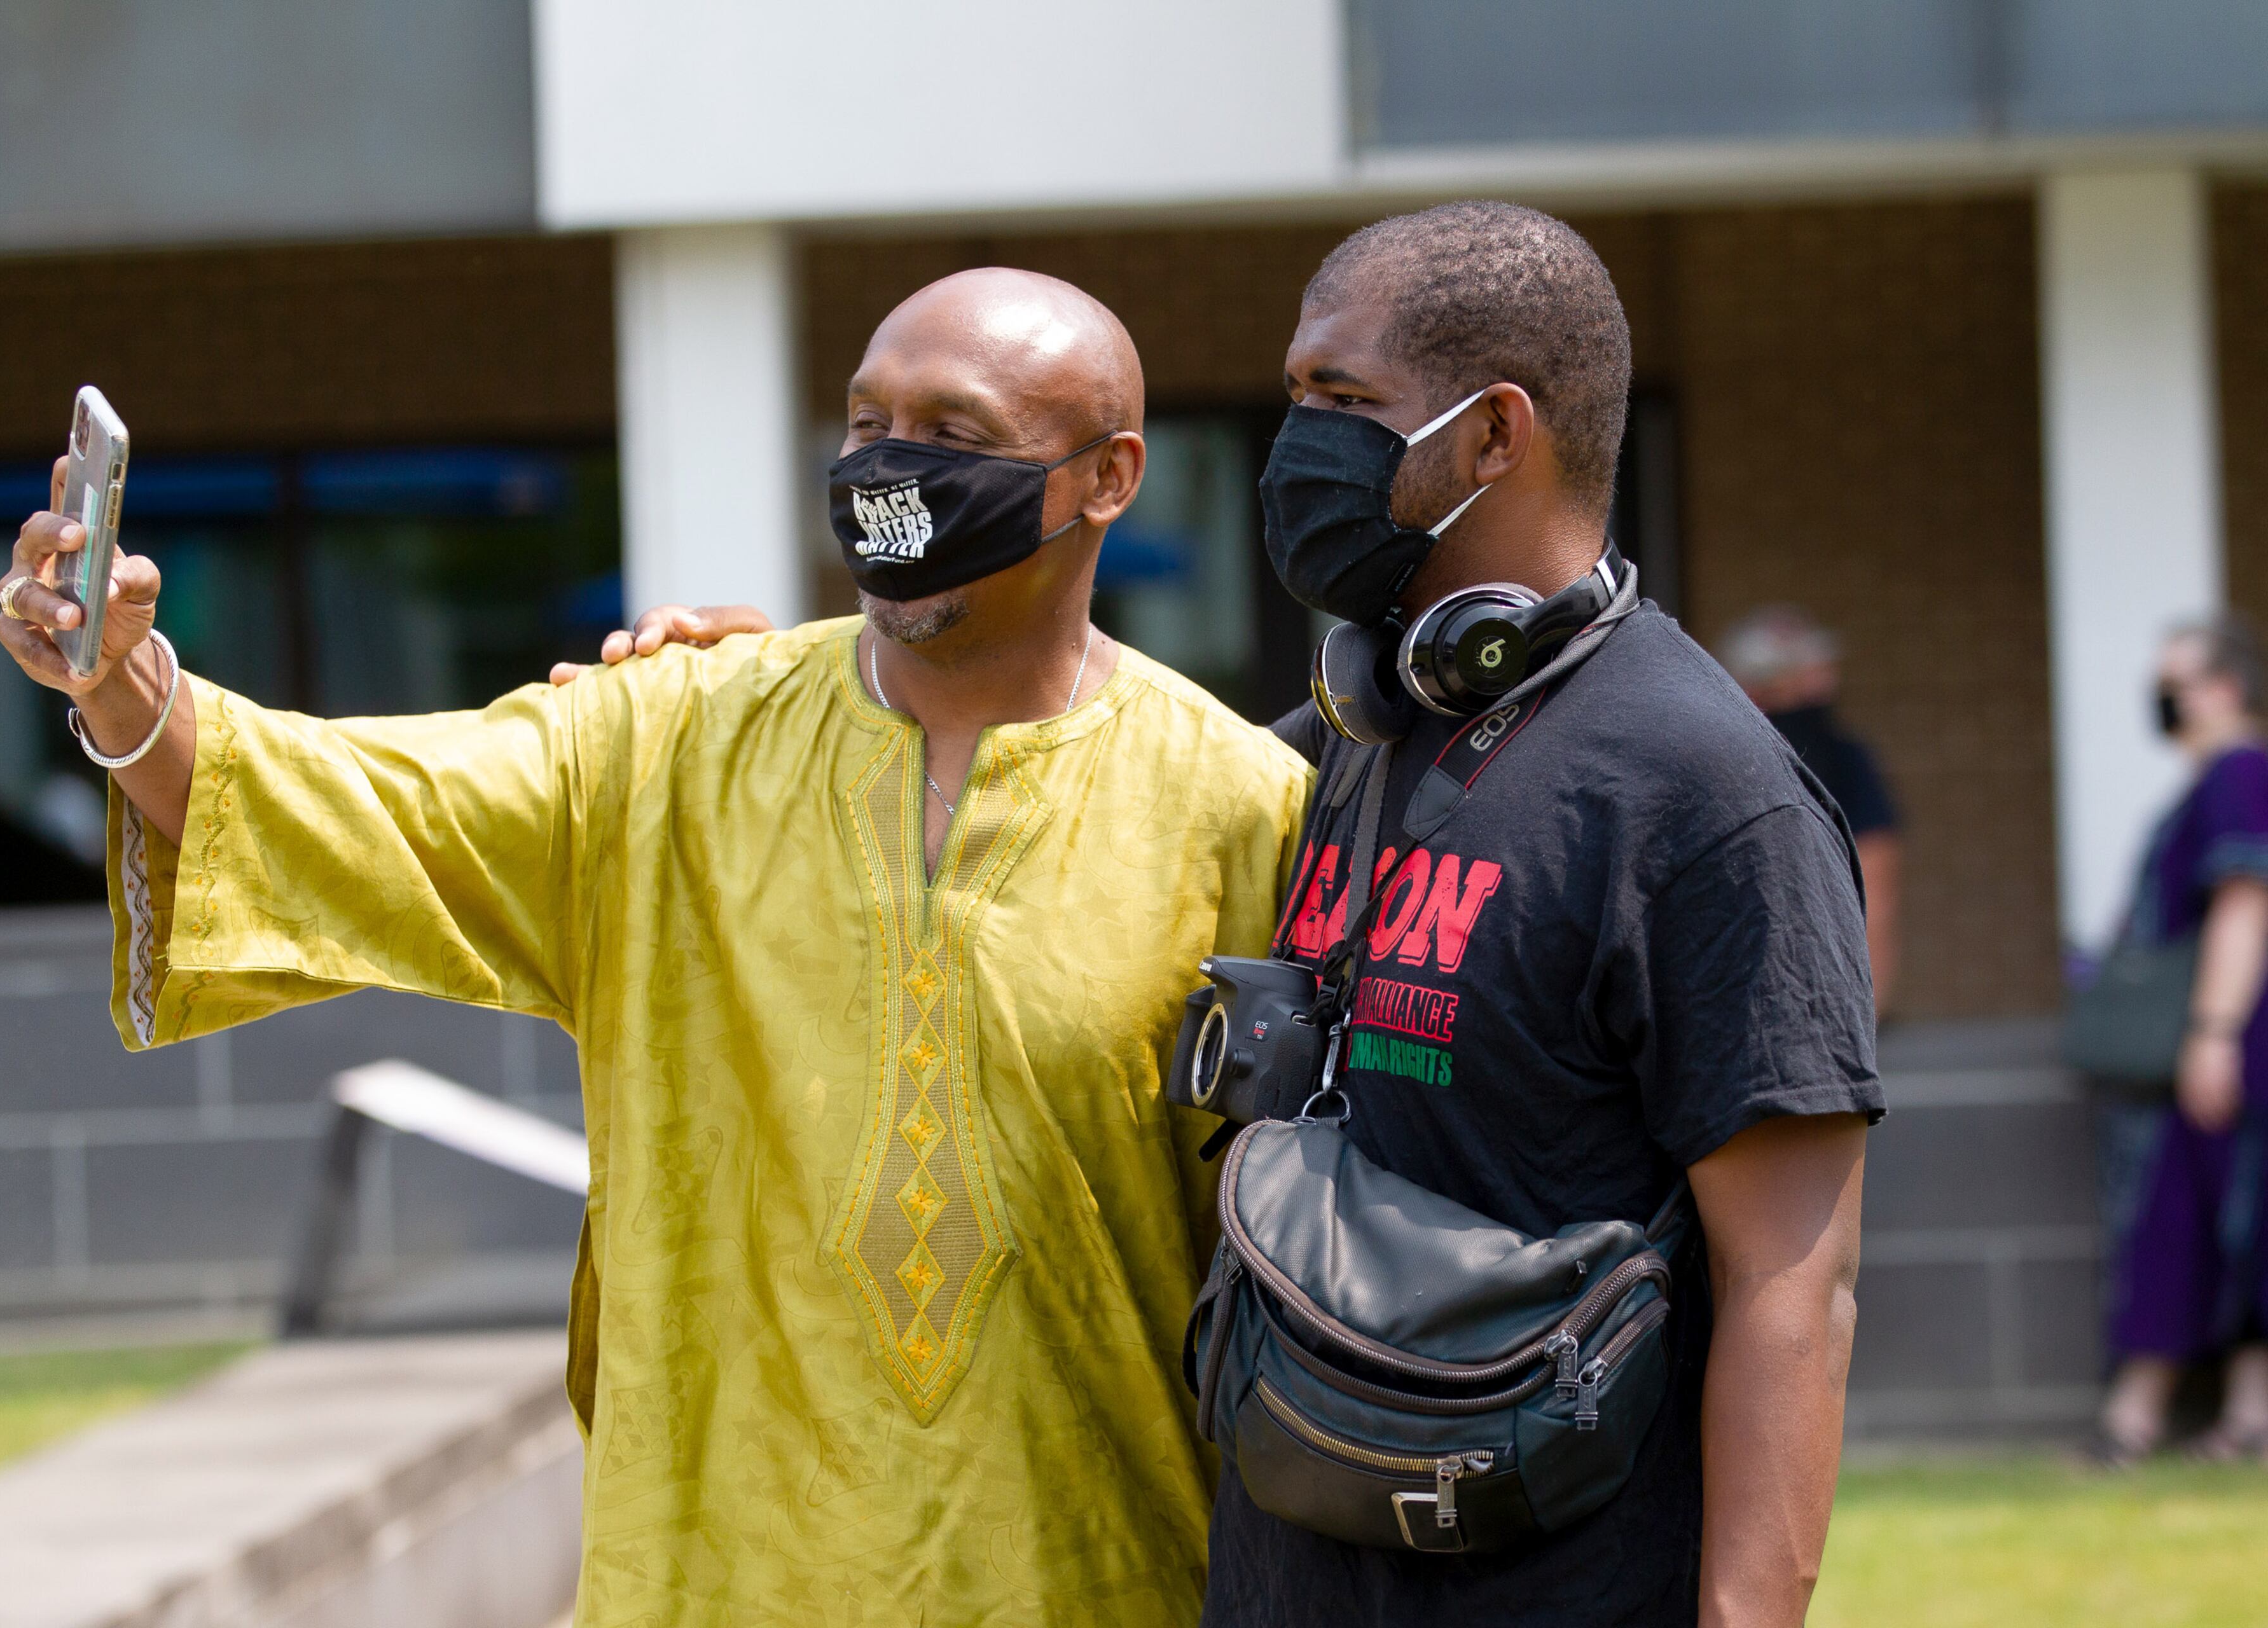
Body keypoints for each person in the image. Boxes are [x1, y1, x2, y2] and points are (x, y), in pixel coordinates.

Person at [594, 202, 1882, 1628]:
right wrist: (772, 686)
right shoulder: (1351, 740)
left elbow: (1792, 1283)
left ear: (1493, 433)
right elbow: (1078, 757)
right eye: (1295, 398)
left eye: (1341, 400)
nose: (1298, 448)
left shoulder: (1700, 792)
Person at [0, 268, 1313, 1625]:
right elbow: (346, 800)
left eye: (954, 435)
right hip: (718, 1571)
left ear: (1109, 476)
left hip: (1101, 1575)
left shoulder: (1242, 808)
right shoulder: (668, 743)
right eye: (866, 427)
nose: (890, 468)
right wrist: (122, 683)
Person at [2092, 617, 2268, 1465]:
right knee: (2216, 1217)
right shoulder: (2212, 780)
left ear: (2224, 688)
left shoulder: (2239, 771)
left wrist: (2214, 1034)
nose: (2164, 699)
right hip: (2219, 1044)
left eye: (2178, 681)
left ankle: (2150, 1420)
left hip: (2226, 1044)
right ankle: (2238, 1420)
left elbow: (2246, 902)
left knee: (2219, 1216)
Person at [1718, 605, 1903, 1017]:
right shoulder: (1726, 760)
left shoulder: (1841, 759)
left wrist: (1865, 1009)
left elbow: (1878, 880)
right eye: (1803, 677)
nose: (1823, 685)